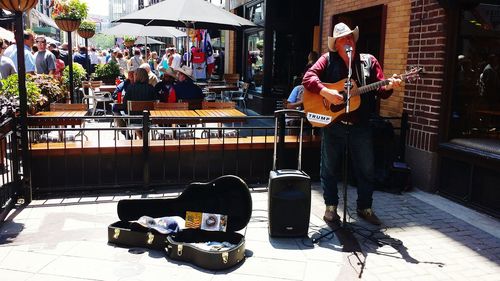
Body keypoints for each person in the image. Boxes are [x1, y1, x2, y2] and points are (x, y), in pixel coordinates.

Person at [302, 22, 401, 226]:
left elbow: (382, 90)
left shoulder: (369, 62)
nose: (349, 41)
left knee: (366, 168)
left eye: (350, 38)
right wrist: (326, 91)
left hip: (361, 125)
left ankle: (365, 207)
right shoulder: (327, 60)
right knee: (329, 168)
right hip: (334, 124)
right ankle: (331, 208)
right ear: (336, 44)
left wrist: (390, 85)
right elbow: (308, 77)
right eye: (343, 39)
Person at [122, 68, 158, 139]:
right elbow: (155, 103)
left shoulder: (130, 88)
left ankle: (141, 139)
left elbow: (125, 104)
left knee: (123, 115)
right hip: (149, 118)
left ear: (137, 76)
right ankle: (143, 139)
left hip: (133, 118)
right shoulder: (151, 88)